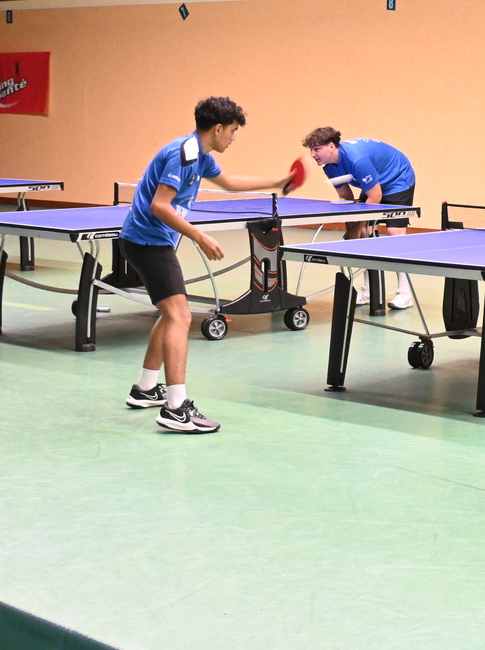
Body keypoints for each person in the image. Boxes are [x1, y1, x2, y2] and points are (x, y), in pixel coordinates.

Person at [120, 96, 295, 433]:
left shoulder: (199, 154)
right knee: (181, 316)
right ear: (217, 128)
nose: (233, 137)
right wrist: (200, 236)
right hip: (147, 242)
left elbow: (228, 183)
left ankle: (145, 389)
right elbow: (159, 205)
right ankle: (176, 408)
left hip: (148, 240)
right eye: (232, 131)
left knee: (171, 314)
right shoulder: (184, 155)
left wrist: (276, 182)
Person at [301, 127, 417, 310]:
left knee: (395, 233)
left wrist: (356, 228)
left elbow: (376, 196)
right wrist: (352, 229)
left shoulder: (357, 160)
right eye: (311, 150)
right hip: (374, 184)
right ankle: (368, 291)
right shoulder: (329, 167)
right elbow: (346, 198)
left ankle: (405, 293)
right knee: (365, 234)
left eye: (316, 149)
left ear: (331, 146)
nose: (312, 154)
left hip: (397, 179)